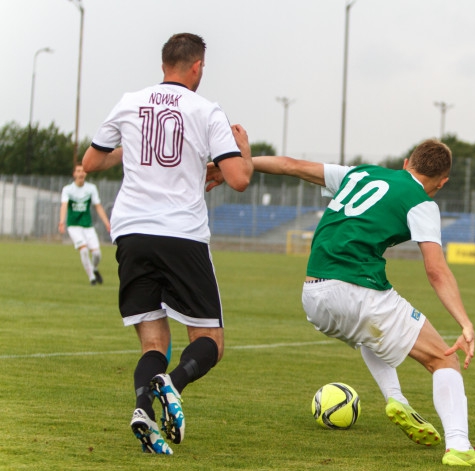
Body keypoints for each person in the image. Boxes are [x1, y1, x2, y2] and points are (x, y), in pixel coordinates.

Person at [207, 136, 475, 466]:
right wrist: (465, 322)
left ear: (407, 162)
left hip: (313, 294)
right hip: (356, 289)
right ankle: (458, 447)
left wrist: (236, 164)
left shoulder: (361, 173)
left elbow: (291, 165)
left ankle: (396, 399)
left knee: (368, 331)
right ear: (443, 181)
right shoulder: (422, 202)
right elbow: (436, 270)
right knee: (444, 360)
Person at [82, 33, 253, 454]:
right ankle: (171, 383)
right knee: (210, 341)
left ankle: (143, 409)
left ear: (164, 65)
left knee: (153, 342)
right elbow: (238, 178)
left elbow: (90, 162)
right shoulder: (206, 109)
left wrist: (132, 150)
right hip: (181, 234)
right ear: (197, 67)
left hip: (131, 232)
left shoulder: (129, 102)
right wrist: (243, 151)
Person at [58, 164, 111, 285]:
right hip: (74, 225)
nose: (81, 173)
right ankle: (92, 278)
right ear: (74, 174)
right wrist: (61, 221)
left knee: (97, 254)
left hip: (88, 225)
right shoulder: (68, 190)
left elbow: (98, 206)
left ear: (86, 173)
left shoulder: (91, 188)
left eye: (83, 171)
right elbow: (64, 205)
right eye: (78, 171)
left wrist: (107, 223)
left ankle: (95, 269)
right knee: (84, 250)